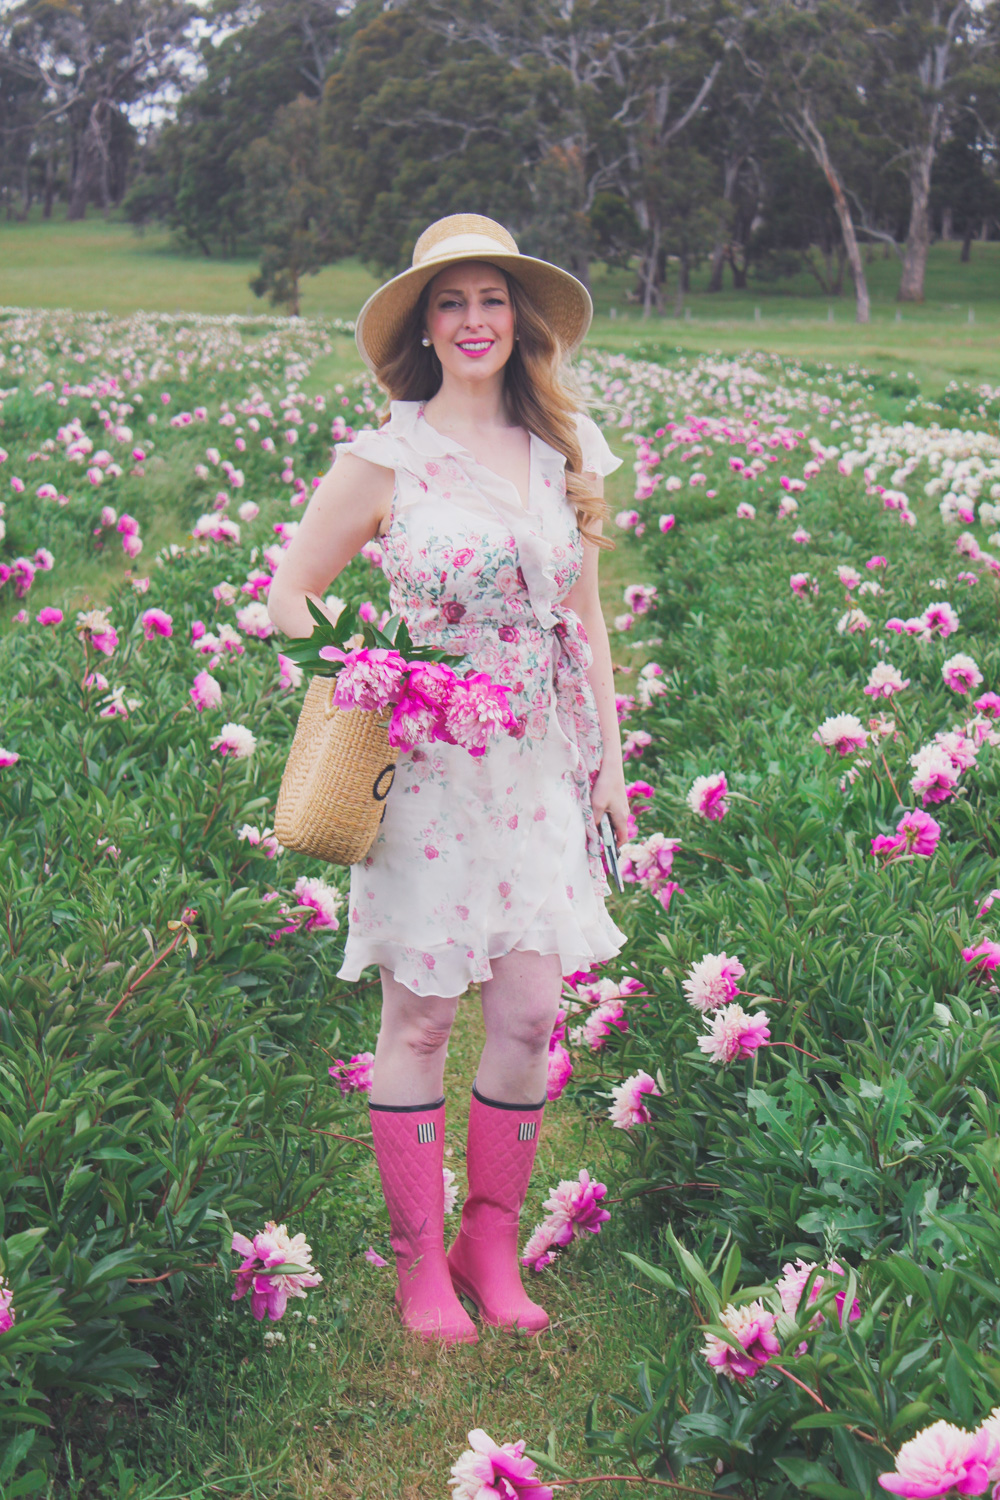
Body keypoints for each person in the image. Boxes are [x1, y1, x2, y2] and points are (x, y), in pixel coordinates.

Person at [267, 213, 628, 1346]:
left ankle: (491, 1239)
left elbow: (587, 620)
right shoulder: (387, 457)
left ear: (519, 320)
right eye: (450, 302)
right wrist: (369, 668)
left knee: (529, 1014)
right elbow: (289, 591)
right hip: (423, 772)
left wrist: (610, 765)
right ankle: (421, 1264)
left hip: (536, 766)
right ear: (424, 326)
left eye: (491, 299)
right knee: (421, 1016)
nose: (474, 321)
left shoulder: (562, 452)